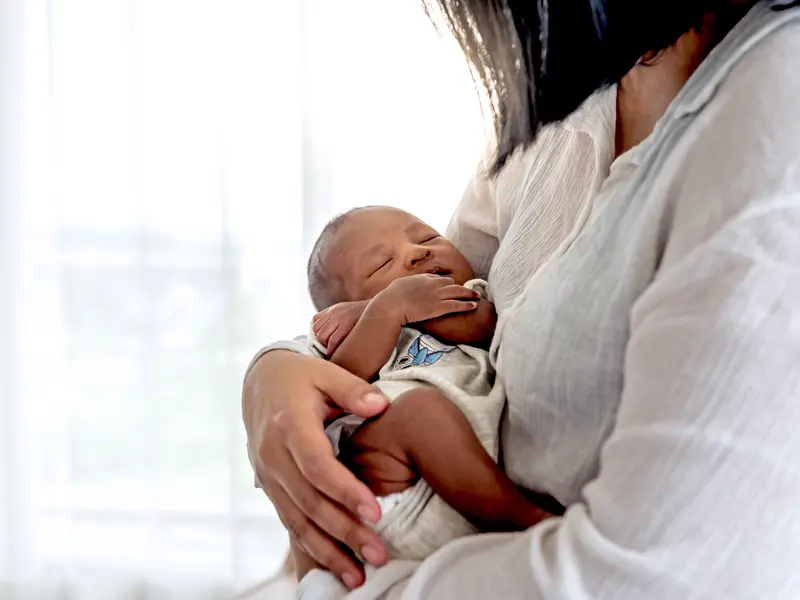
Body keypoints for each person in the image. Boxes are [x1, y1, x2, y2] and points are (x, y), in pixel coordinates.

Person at [242, 1, 800, 597]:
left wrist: (334, 590)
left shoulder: (768, 118)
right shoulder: (563, 103)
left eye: (421, 240)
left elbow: (646, 579)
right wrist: (275, 372)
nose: (419, 253)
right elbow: (397, 302)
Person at [299, 205, 555, 570]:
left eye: (427, 238)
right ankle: (527, 521)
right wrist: (382, 312)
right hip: (390, 483)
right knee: (420, 412)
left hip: (465, 493)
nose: (417, 252)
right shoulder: (346, 330)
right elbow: (342, 384)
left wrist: (403, 305)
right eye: (381, 265)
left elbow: (482, 324)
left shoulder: (469, 296)